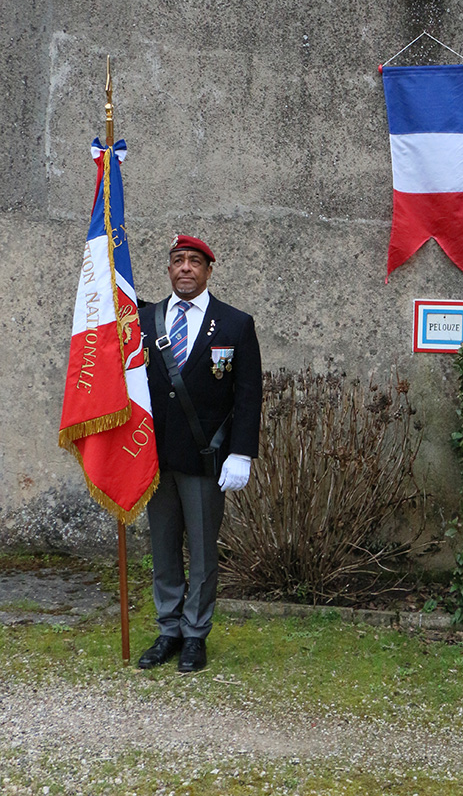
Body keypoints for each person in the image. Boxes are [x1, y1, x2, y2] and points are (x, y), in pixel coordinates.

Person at [137, 234, 263, 673]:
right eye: (177, 261)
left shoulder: (234, 324)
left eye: (194, 261)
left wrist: (241, 453)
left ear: (209, 269)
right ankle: (168, 629)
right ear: (169, 270)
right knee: (164, 547)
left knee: (204, 552)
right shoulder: (143, 320)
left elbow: (248, 396)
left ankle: (195, 634)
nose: (185, 268)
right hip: (154, 457)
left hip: (206, 459)